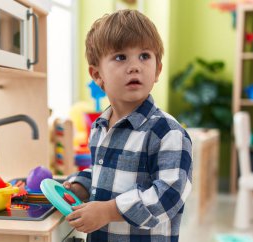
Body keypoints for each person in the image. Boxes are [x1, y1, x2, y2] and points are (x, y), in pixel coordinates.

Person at [63, 9, 193, 242]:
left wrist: (108, 211)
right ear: (97, 75)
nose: (135, 66)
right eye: (121, 57)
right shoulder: (100, 126)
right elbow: (104, 173)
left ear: (157, 70)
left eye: (144, 56)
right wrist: (81, 186)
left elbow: (169, 195)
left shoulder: (167, 132)